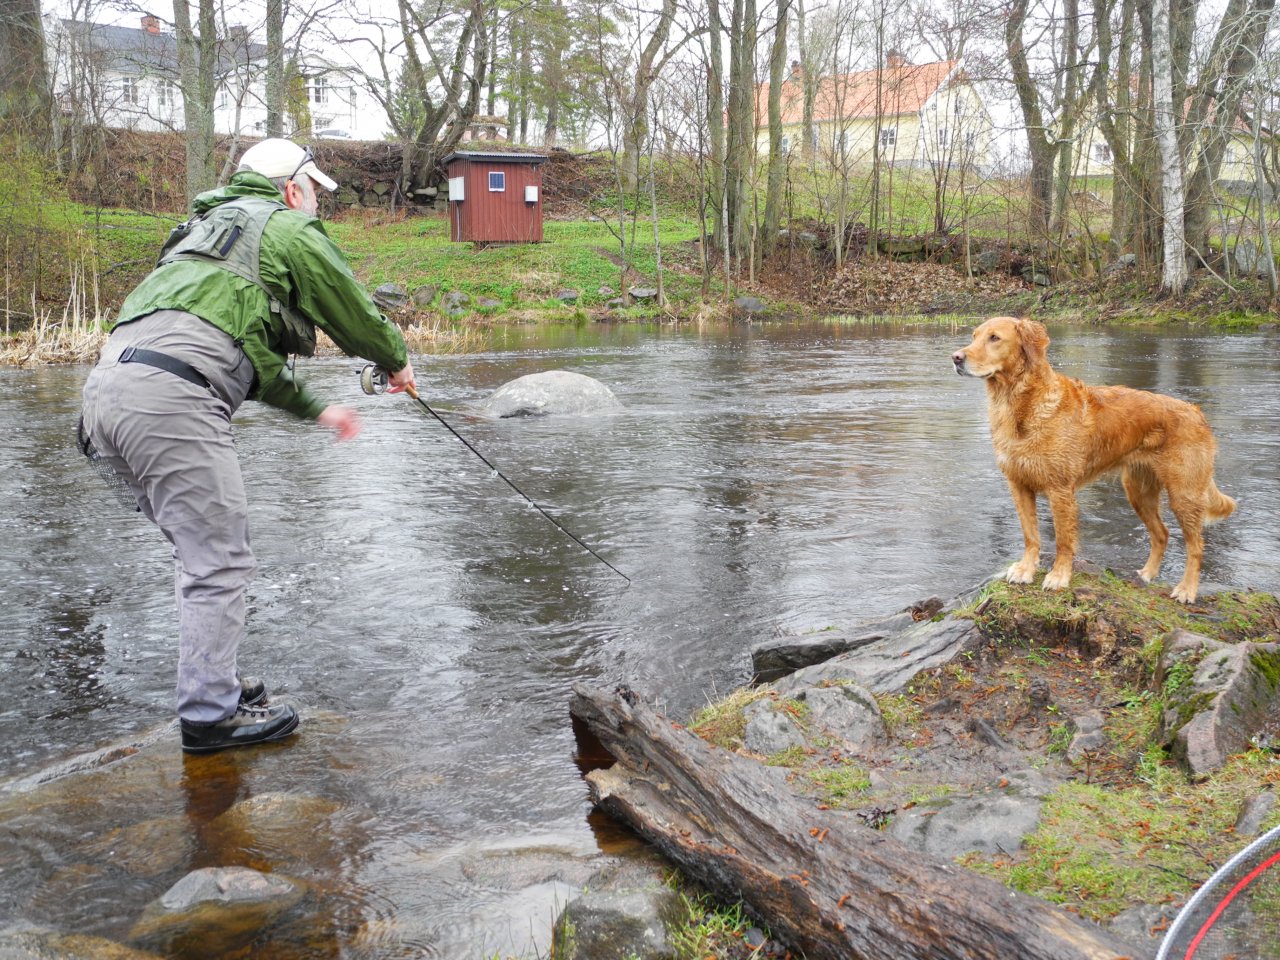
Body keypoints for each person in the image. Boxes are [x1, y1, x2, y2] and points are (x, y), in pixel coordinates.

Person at [80, 138, 415, 753]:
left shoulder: (199, 235)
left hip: (105, 396)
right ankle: (209, 717)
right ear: (291, 188)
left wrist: (318, 408)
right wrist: (395, 362)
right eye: (314, 192)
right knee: (218, 561)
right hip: (172, 401)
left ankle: (218, 682)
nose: (317, 205)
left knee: (202, 553)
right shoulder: (285, 227)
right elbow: (354, 313)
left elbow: (244, 357)